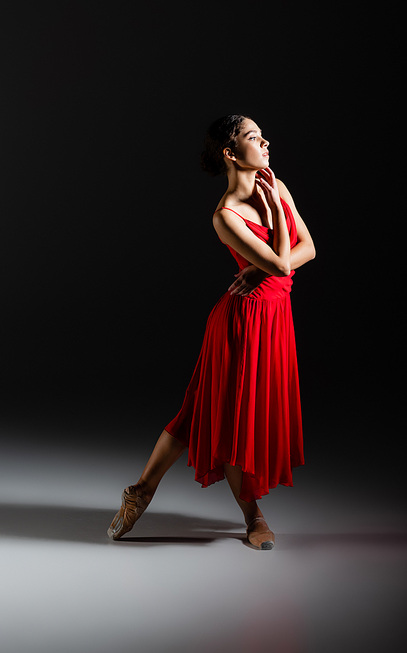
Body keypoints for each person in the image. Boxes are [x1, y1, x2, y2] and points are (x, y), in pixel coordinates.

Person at [107, 114, 315, 550]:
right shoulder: (226, 216)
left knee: (199, 411)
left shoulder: (277, 185)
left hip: (274, 319)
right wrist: (275, 223)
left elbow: (308, 248)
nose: (266, 142)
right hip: (242, 323)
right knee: (234, 419)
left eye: (262, 135)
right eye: (254, 137)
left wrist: (261, 266)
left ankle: (140, 491)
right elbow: (282, 263)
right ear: (231, 153)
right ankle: (253, 516)